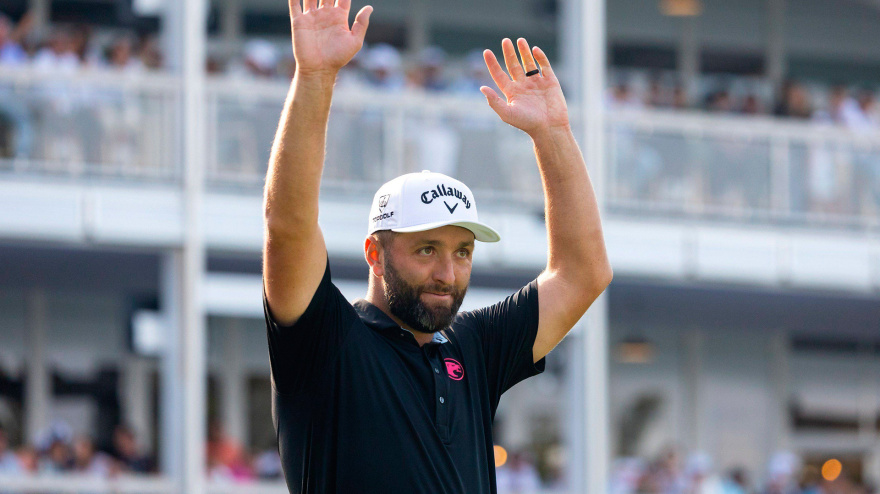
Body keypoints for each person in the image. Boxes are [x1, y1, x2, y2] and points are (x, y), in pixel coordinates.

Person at [261, 0, 612, 492]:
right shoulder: (325, 339)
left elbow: (585, 274)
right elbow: (288, 224)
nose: (448, 273)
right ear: (375, 254)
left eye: (462, 252)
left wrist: (553, 135)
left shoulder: (473, 348)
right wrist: (315, 77)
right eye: (427, 250)